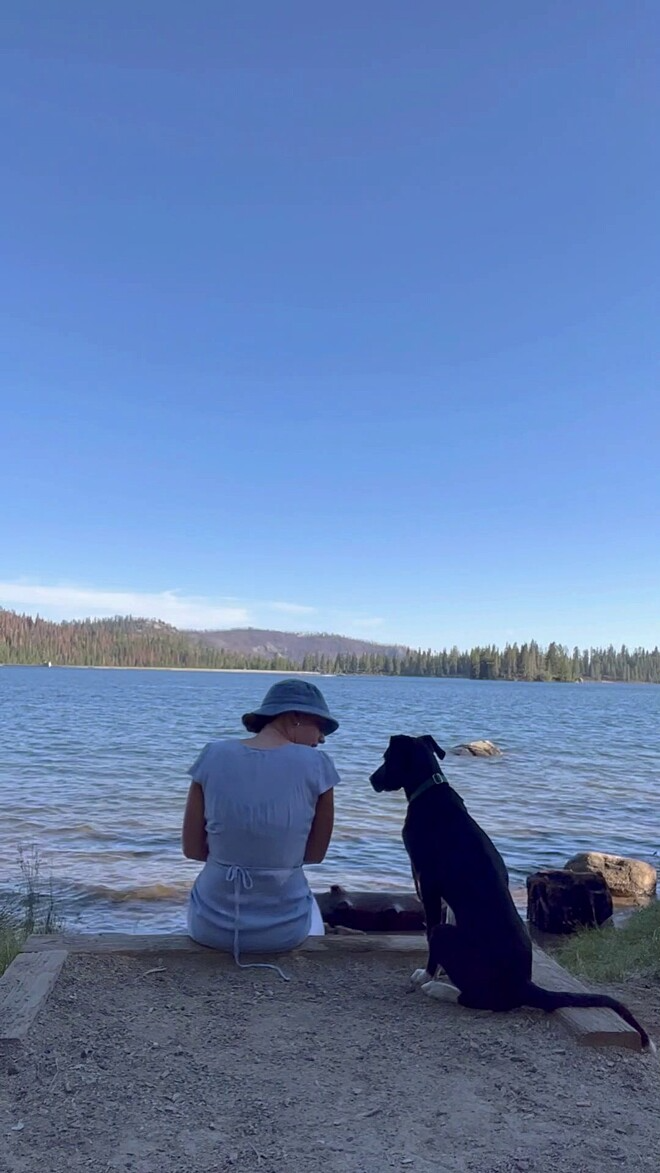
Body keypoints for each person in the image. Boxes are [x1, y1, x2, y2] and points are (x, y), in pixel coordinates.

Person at [182, 678, 340, 970]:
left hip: (211, 927)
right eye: (320, 727)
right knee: (311, 913)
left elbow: (192, 849)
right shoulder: (318, 765)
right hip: (285, 930)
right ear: (295, 717)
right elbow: (314, 854)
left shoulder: (212, 754)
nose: (321, 739)